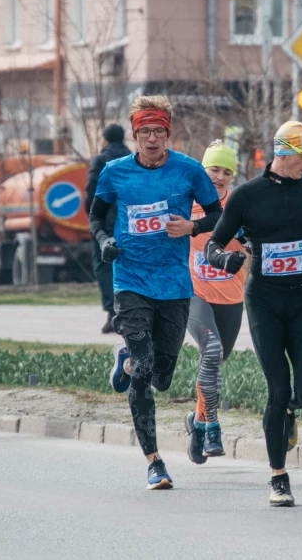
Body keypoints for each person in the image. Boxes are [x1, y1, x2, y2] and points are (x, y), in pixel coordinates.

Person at [89, 96, 222, 490]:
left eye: (158, 132)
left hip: (175, 284)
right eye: (144, 132)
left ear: (168, 134)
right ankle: (155, 462)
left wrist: (193, 228)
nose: (151, 138)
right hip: (130, 279)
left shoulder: (189, 170)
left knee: (162, 376)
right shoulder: (115, 172)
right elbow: (96, 214)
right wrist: (103, 241)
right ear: (135, 135)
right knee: (146, 374)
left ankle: (127, 360)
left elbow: (216, 214)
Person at [206, 121, 302, 507]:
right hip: (265, 301)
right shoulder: (247, 195)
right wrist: (228, 259)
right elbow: (212, 245)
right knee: (278, 387)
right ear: (284, 154)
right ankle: (278, 477)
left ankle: (291, 410)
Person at [184, 141, 246, 463]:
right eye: (213, 170)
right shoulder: (187, 203)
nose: (219, 177)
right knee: (211, 351)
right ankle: (212, 427)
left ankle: (195, 420)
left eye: (226, 171)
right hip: (195, 295)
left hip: (232, 298)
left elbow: (258, 240)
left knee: (214, 365)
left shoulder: (238, 205)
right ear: (202, 171)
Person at [85, 124, 132, 333]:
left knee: (104, 265)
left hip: (105, 223)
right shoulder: (135, 159)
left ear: (105, 139)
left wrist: (93, 217)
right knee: (129, 264)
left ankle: (113, 312)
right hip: (130, 221)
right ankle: (130, 310)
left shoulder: (100, 160)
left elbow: (91, 193)